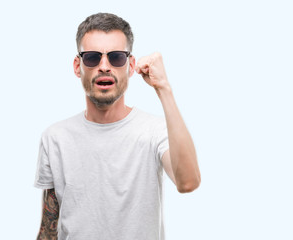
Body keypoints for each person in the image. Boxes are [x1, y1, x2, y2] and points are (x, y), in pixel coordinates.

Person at [34, 12, 201, 240]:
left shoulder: (155, 132)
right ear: (77, 66)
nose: (104, 66)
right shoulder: (55, 137)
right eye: (92, 57)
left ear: (131, 66)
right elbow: (48, 229)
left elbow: (188, 182)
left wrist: (163, 88)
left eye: (116, 57)